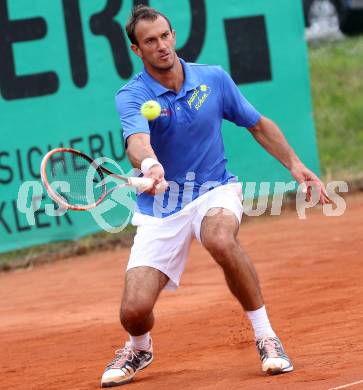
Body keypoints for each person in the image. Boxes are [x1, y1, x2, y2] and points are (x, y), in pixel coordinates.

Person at [100, 5, 329, 388]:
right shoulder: (132, 95)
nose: (162, 46)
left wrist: (294, 164)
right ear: (137, 50)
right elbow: (137, 143)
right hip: (161, 210)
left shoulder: (213, 79)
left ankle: (266, 336)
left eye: (165, 36)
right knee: (133, 311)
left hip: (214, 188)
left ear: (173, 35)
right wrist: (152, 165)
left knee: (220, 238)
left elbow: (256, 123)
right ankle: (139, 346)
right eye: (150, 41)